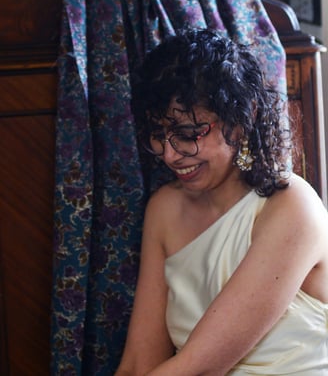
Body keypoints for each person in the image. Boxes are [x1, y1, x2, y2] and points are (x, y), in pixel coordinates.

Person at [115, 29, 328, 375]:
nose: (169, 155)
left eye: (187, 134)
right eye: (158, 135)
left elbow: (197, 368)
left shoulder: (291, 207)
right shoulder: (164, 210)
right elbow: (141, 361)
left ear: (242, 119)